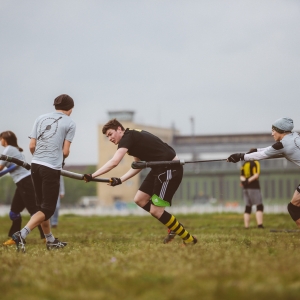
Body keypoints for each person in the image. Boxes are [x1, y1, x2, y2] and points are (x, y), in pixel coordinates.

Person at [83, 119, 197, 245]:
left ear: (119, 129)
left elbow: (114, 162)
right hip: (158, 169)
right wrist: (121, 180)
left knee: (156, 211)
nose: (109, 138)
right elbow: (138, 165)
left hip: (169, 169)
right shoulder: (130, 139)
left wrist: (92, 175)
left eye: (110, 134)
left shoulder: (128, 137)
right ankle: (172, 225)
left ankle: (189, 239)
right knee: (140, 199)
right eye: (107, 136)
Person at [12, 94, 76, 252]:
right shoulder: (70, 123)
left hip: (35, 165)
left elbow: (32, 145)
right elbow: (66, 151)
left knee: (41, 207)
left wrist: (40, 157)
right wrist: (57, 157)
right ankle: (22, 234)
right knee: (47, 209)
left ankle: (50, 240)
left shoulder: (40, 118)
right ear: (71, 109)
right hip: (51, 167)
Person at [227, 117, 300, 228]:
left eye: (273, 131)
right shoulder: (295, 136)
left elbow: (263, 155)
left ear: (280, 130)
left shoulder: (282, 145)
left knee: (293, 208)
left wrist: (240, 156)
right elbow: (268, 150)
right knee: (294, 205)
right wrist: (255, 150)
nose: (272, 134)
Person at [0, 131, 45, 246]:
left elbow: (0, 168)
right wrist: (11, 169)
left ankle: (46, 237)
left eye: (1, 139)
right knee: (14, 212)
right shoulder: (15, 150)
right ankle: (15, 238)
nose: (0, 141)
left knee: (35, 212)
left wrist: (8, 170)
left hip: (26, 182)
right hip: (22, 183)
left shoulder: (8, 149)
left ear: (5, 139)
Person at [240, 160, 264, 229]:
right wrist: (248, 181)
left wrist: (244, 181)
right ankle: (260, 225)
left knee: (248, 207)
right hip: (254, 187)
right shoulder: (255, 162)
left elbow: (241, 176)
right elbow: (256, 175)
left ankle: (246, 226)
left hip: (245, 188)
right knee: (259, 205)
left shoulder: (244, 164)